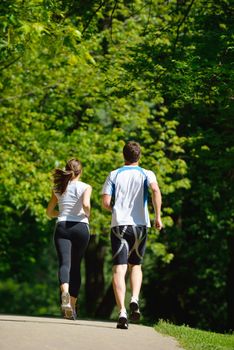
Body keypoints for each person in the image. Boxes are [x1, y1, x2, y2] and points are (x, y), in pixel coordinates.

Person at [102, 141, 162, 329]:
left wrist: (116, 209)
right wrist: (158, 216)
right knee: (135, 266)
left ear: (123, 156)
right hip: (140, 226)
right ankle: (134, 298)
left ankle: (122, 312)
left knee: (119, 269)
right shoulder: (147, 173)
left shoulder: (114, 174)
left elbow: (105, 202)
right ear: (139, 156)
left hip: (119, 225)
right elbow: (155, 190)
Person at [46, 158, 92, 320]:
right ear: (81, 171)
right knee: (76, 266)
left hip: (62, 226)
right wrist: (87, 213)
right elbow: (86, 204)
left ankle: (64, 293)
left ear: (67, 170)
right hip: (80, 228)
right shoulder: (86, 187)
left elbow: (49, 212)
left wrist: (62, 213)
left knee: (65, 263)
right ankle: (71, 308)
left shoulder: (58, 188)